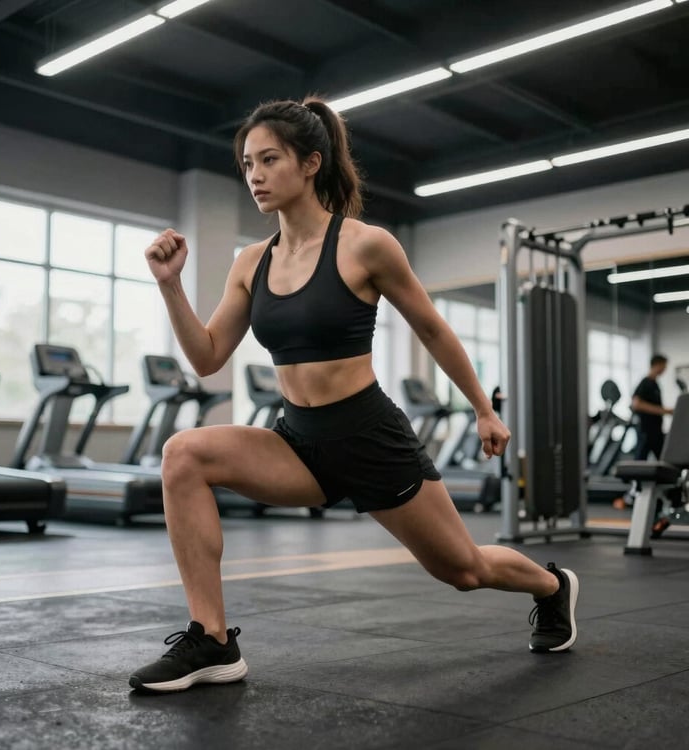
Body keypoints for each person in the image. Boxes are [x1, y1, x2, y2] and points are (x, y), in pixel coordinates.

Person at [128, 97, 579, 694]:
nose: (255, 175)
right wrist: (170, 287)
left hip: (369, 437)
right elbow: (209, 355)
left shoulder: (366, 245)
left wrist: (483, 409)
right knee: (183, 453)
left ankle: (553, 587)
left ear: (311, 163)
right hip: (297, 442)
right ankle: (212, 640)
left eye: (269, 160)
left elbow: (433, 329)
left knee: (463, 570)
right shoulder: (249, 262)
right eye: (246, 164)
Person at [632, 354, 674, 461]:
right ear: (657, 365)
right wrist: (663, 411)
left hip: (656, 430)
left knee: (664, 459)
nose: (665, 369)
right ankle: (633, 477)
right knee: (641, 460)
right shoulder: (645, 383)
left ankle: (666, 478)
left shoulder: (655, 384)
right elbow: (636, 404)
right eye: (664, 366)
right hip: (646, 430)